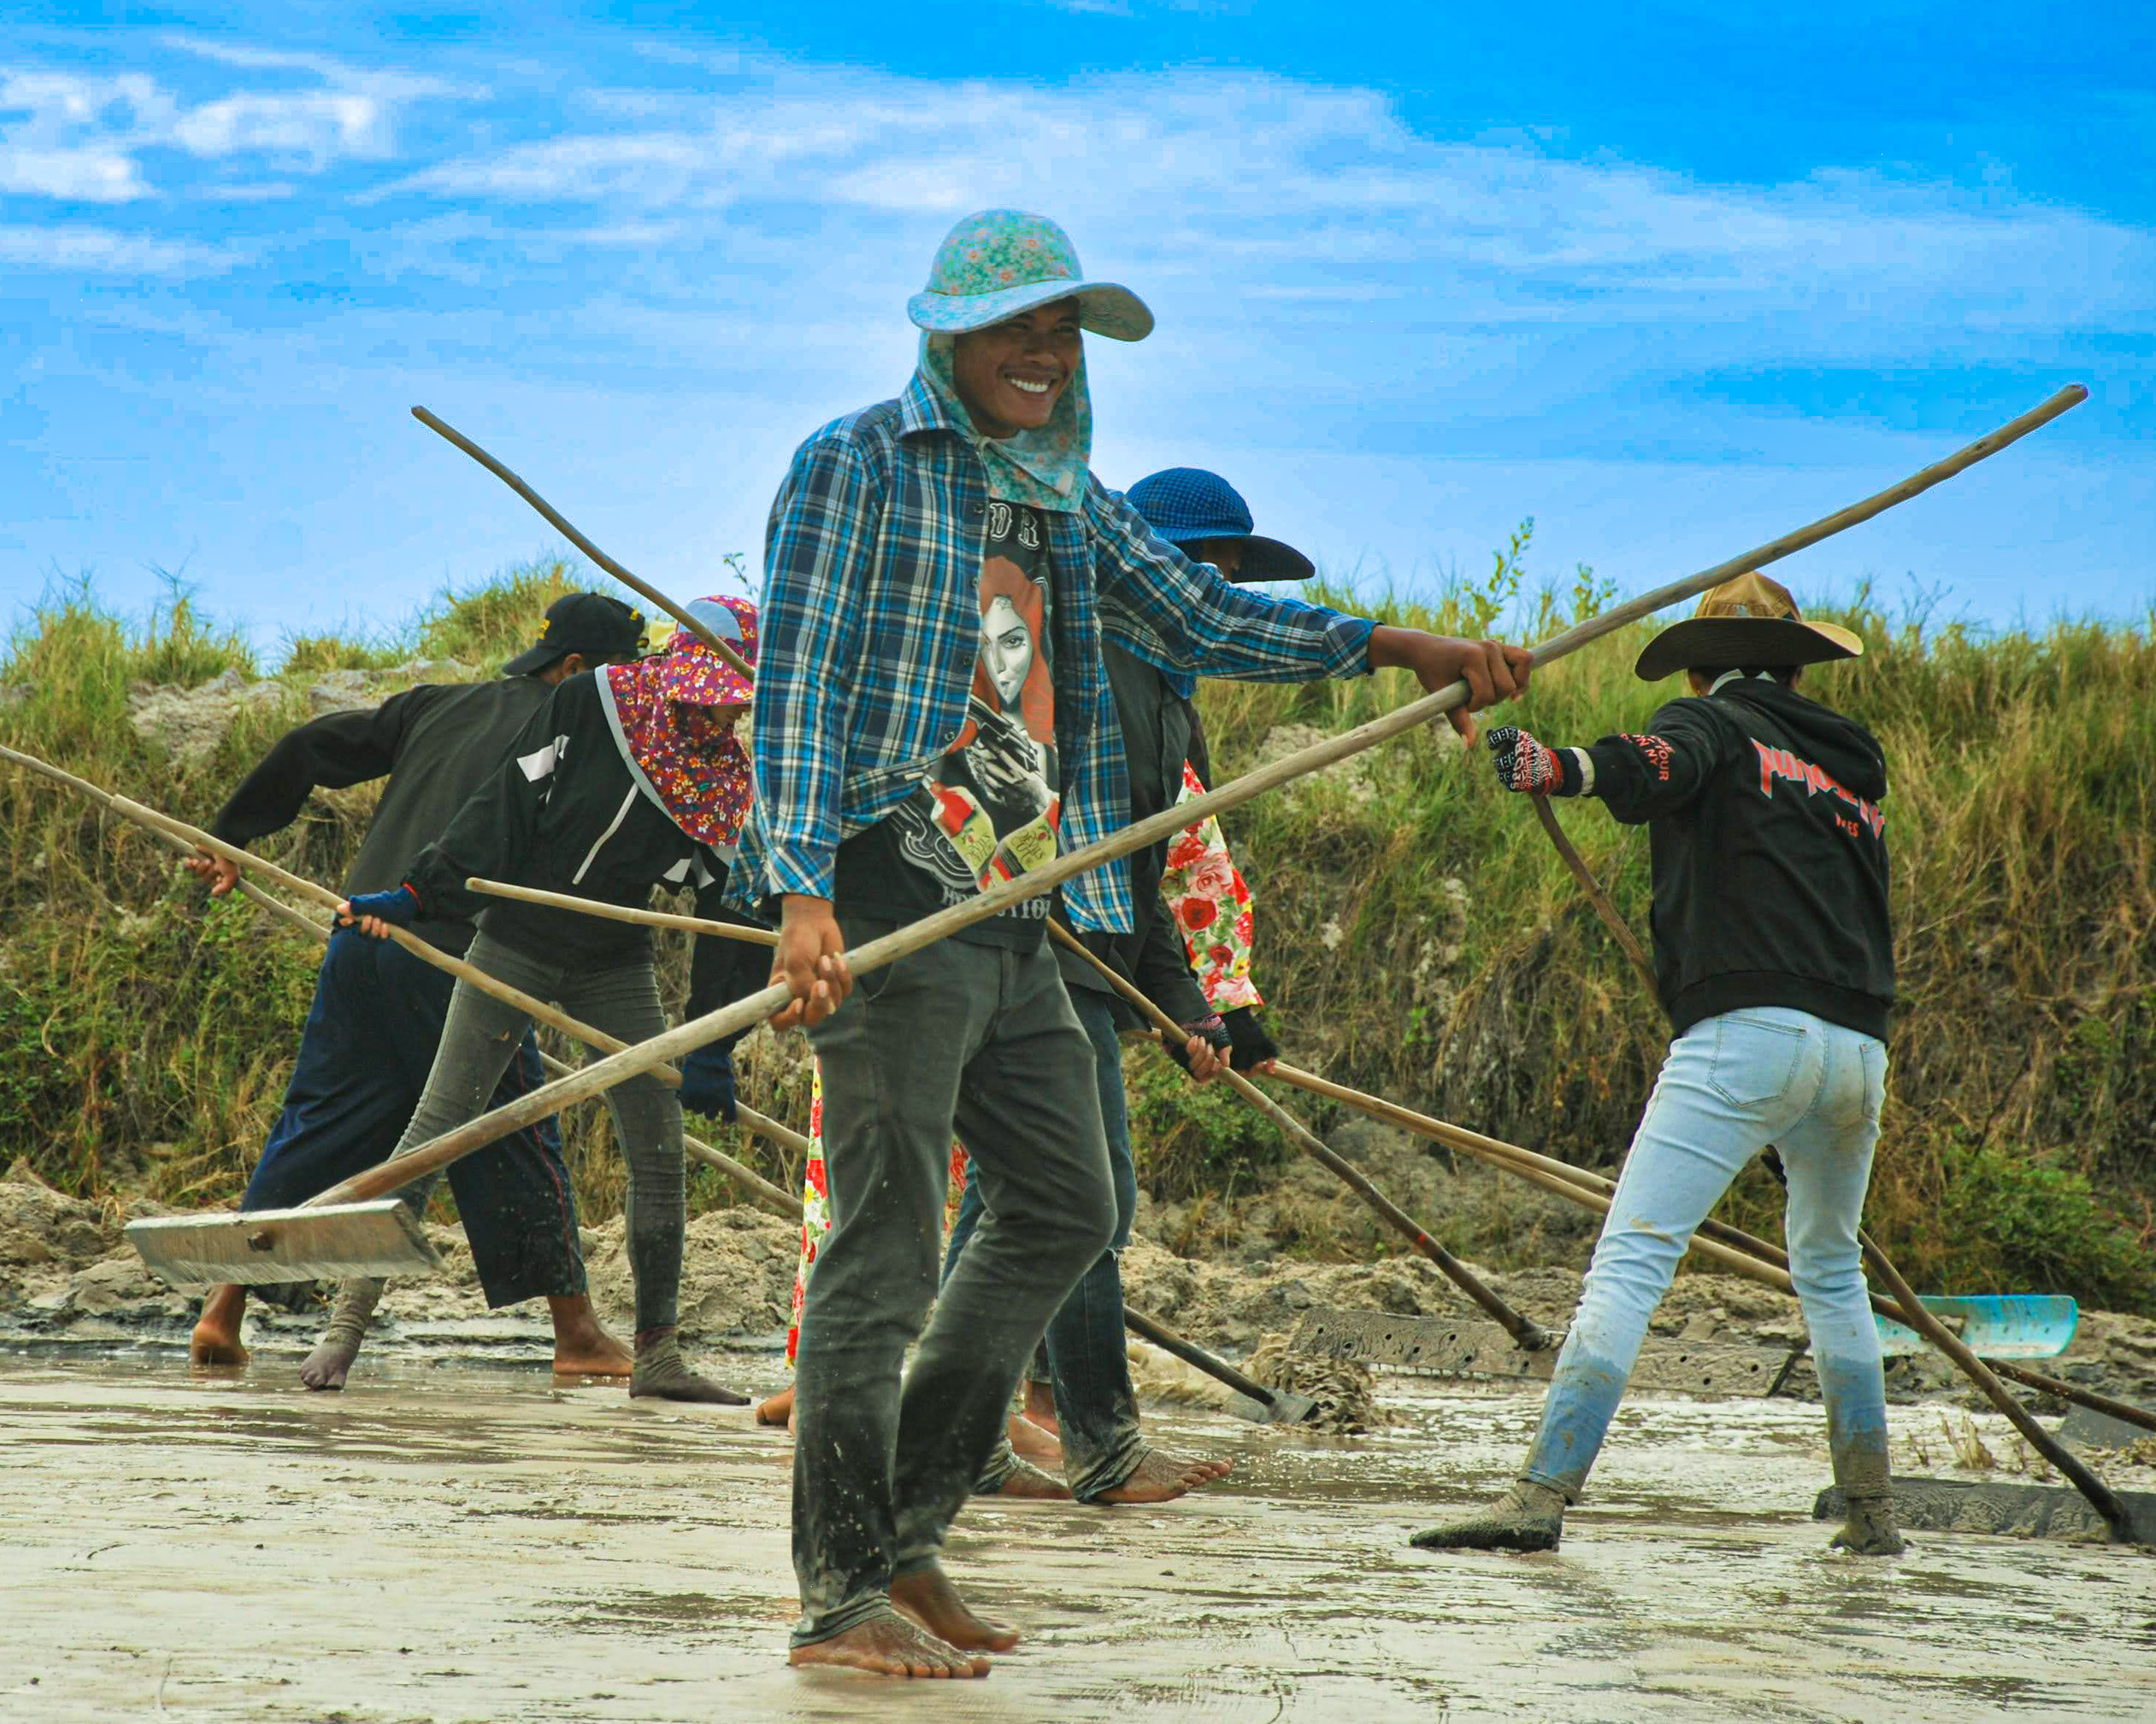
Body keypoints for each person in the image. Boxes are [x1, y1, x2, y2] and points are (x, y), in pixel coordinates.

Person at [741, 207, 1531, 1680]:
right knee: (884, 1241)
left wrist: (1394, 649)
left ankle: (907, 1529)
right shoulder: (853, 463)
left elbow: (1202, 611)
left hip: (1021, 901)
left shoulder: (1063, 501)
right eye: (1016, 332)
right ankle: (834, 1588)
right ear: (950, 339)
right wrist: (798, 894)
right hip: (889, 887)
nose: (1043, 357)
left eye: (1063, 335)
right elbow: (792, 683)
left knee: (1063, 1199)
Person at [1412, 571, 1905, 1558]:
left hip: (1745, 1034)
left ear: (1704, 666)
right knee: (1829, 1269)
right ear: (1793, 663)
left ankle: (1538, 1499)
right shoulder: (1850, 773)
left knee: (1630, 1259)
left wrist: (1545, 765)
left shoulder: (1715, 728)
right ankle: (1870, 1511)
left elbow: (1644, 764)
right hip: (1854, 1050)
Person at [944, 467, 1309, 1510]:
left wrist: (1189, 1008)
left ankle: (955, 1436)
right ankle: (1097, 1440)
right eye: (1200, 571)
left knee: (1022, 1202)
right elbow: (1010, 831)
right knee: (1082, 1201)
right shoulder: (1072, 665)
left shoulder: (1166, 702)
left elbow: (1136, 879)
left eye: (1227, 577)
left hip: (1091, 966)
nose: (1212, 594)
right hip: (1023, 956)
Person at [185, 592, 648, 1379]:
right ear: (574, 670)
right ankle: (576, 1337)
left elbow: (308, 746)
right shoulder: (573, 731)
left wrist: (229, 835)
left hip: (360, 941)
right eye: (620, 679)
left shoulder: (438, 705)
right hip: (454, 956)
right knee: (515, 1132)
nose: (629, 699)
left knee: (320, 1123)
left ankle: (222, 1311)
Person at [322, 597, 770, 1403]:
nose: (717, 712)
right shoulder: (594, 702)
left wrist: (711, 1044)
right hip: (516, 941)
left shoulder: (725, 780)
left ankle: (659, 1355)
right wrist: (421, 890)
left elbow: (726, 916)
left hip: (612, 962)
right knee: (440, 1125)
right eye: (706, 693)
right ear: (674, 671)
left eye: (732, 700)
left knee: (658, 1143)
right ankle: (344, 1328)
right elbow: (505, 799)